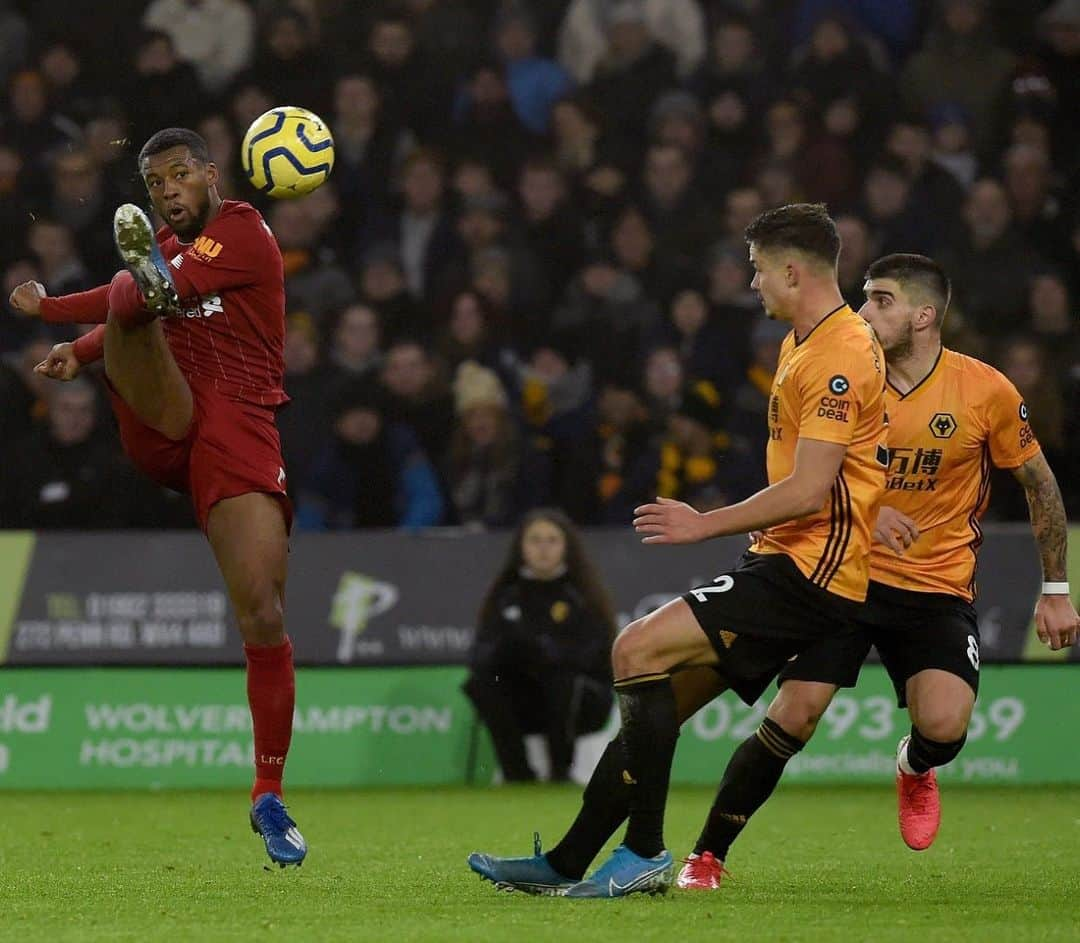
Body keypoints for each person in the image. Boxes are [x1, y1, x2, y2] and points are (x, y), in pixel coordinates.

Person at [467, 202, 888, 897]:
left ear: (792, 271)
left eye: (757, 272)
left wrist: (704, 523)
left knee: (635, 650)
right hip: (786, 559)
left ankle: (644, 851)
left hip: (811, 571)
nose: (752, 285)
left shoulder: (840, 353)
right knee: (653, 702)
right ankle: (570, 860)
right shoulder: (804, 341)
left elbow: (812, 490)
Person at [673, 254, 1079, 889]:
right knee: (795, 712)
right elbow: (800, 469)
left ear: (924, 315)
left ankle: (916, 766)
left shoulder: (984, 391)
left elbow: (1040, 483)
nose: (864, 312)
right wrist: (852, 510)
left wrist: (1055, 588)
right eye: (864, 297)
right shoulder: (846, 373)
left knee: (944, 725)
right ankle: (707, 855)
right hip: (843, 573)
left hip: (935, 586)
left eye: (881, 300)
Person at [8, 127, 306, 867]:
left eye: (178, 176)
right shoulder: (172, 254)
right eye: (155, 185)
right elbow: (117, 306)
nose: (168, 191)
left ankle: (267, 794)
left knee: (263, 615)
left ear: (211, 175)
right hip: (166, 417)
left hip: (238, 430)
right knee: (128, 292)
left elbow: (119, 302)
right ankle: (138, 294)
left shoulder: (244, 232)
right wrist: (75, 348)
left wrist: (50, 313)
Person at [464, 508, 616, 783]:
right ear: (521, 547)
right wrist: (507, 652)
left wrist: (546, 652)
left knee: (561, 680)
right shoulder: (504, 595)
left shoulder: (584, 596)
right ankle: (517, 774)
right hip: (525, 699)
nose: (543, 549)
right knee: (482, 684)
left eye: (551, 540)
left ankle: (561, 772)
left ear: (567, 546)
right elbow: (480, 655)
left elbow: (596, 656)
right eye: (534, 540)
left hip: (579, 700)